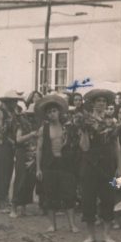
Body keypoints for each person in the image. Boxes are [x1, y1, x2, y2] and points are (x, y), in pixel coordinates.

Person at [79, 88, 121, 242]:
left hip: (109, 165)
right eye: (98, 101)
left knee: (109, 198)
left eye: (104, 101)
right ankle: (91, 235)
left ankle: (106, 235)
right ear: (93, 104)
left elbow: (117, 146)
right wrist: (84, 131)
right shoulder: (87, 121)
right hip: (90, 165)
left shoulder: (112, 122)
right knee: (88, 198)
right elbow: (84, 147)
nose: (101, 104)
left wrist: (120, 168)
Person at [36, 95, 79, 233]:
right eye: (49, 112)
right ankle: (52, 225)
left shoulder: (67, 127)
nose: (52, 114)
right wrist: (38, 168)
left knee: (69, 194)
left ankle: (72, 225)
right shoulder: (44, 129)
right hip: (49, 165)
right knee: (50, 195)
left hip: (65, 165)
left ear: (59, 112)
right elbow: (39, 148)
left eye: (54, 111)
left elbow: (74, 145)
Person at [10, 99, 40, 218]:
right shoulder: (21, 124)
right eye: (30, 115)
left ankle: (23, 207)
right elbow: (18, 139)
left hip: (32, 154)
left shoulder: (38, 125)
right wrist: (31, 135)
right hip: (22, 153)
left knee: (30, 181)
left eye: (35, 115)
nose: (32, 118)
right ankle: (14, 207)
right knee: (20, 179)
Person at [0, 90, 24, 213]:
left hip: (12, 145)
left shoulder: (13, 113)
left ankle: (5, 199)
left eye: (16, 101)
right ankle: (1, 202)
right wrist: (11, 141)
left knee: (8, 173)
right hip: (3, 145)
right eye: (13, 101)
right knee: (2, 173)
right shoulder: (0, 112)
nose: (15, 103)